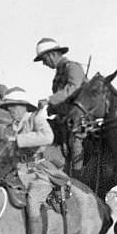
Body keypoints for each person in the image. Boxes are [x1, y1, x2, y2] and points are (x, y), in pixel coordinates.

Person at [0, 88, 69, 234]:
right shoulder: (8, 126)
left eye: (12, 106)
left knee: (32, 202)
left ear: (23, 106)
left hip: (38, 171)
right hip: (14, 172)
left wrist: (18, 140)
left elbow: (48, 137)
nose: (10, 110)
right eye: (7, 107)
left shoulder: (35, 118)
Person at [35, 38, 86, 171]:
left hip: (80, 117)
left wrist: (49, 100)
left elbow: (73, 88)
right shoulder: (60, 72)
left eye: (44, 60)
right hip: (64, 118)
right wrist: (51, 108)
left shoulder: (72, 67)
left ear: (51, 55)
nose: (44, 64)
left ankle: (78, 173)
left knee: (76, 140)